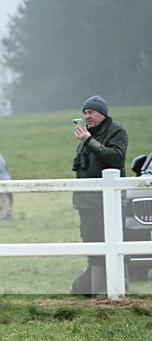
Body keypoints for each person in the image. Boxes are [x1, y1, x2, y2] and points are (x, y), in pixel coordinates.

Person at [70, 95, 128, 297]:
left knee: (114, 248)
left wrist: (89, 141)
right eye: (85, 113)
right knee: (93, 247)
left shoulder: (116, 132)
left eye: (91, 112)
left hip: (107, 202)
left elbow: (115, 158)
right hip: (86, 203)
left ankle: (117, 291)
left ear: (102, 114)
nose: (87, 116)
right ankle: (94, 291)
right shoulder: (86, 137)